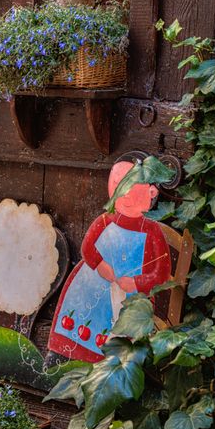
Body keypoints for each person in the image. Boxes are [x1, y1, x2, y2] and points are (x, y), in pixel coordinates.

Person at [47, 155, 172, 363]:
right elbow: (87, 247)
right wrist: (100, 264)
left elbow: (162, 271)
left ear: (151, 193)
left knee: (119, 326)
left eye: (132, 190)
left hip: (129, 294)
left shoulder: (152, 232)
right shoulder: (105, 220)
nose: (126, 197)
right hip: (92, 283)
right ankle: (62, 354)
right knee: (78, 312)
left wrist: (136, 282)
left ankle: (110, 367)